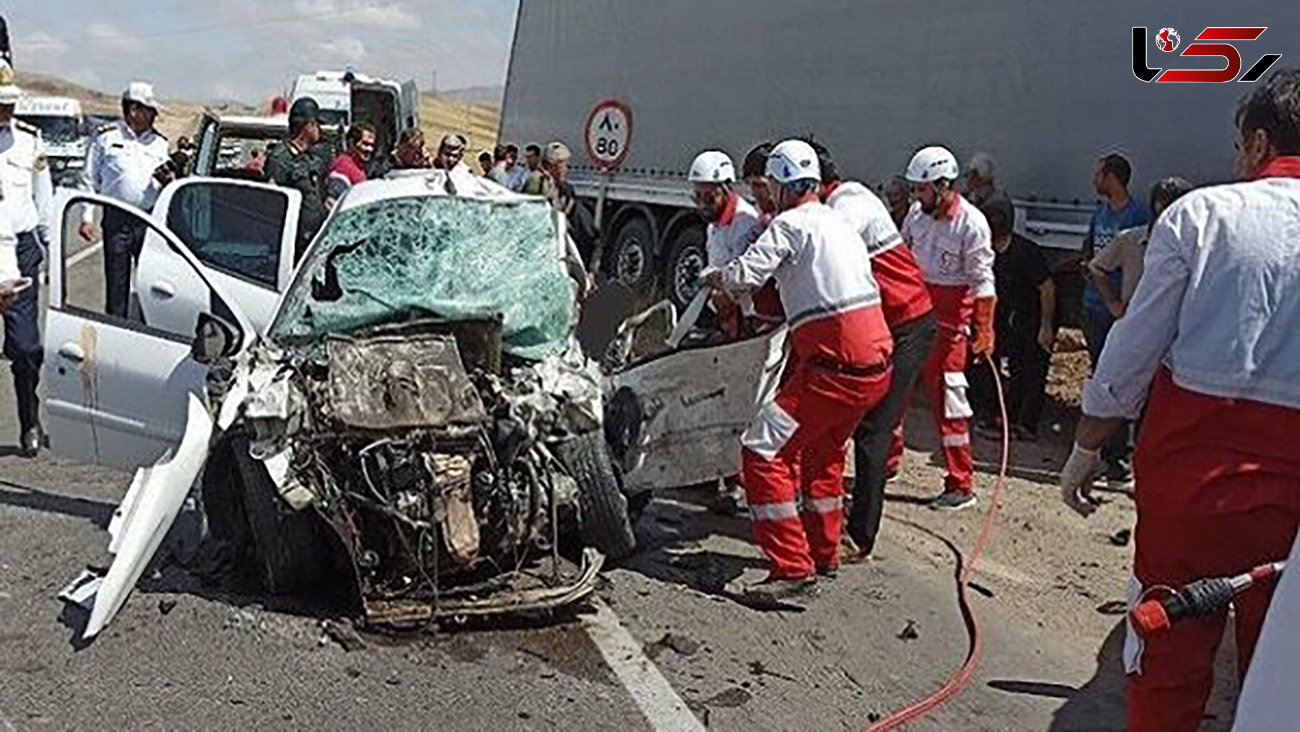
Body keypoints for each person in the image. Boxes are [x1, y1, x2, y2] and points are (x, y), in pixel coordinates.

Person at [1058, 68, 1300, 732]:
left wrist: (1088, 445)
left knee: (1167, 651)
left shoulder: (1204, 215)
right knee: (1283, 669)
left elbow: (1132, 350)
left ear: (1257, 141)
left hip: (1190, 486)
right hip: (1293, 505)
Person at [702, 139, 894, 603]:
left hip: (833, 369)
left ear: (781, 183)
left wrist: (718, 278)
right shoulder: (837, 220)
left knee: (761, 449)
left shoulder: (789, 225)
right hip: (875, 368)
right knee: (824, 454)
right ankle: (825, 552)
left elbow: (746, 277)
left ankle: (790, 566)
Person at [810, 141, 936, 556]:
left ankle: (861, 536)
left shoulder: (848, 206)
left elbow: (824, 256)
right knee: (865, 422)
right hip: (893, 324)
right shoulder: (843, 203)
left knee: (873, 430)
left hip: (908, 326)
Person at [898, 146, 997, 511]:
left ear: (942, 186)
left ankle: (960, 484)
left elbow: (983, 281)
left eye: (921, 189)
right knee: (895, 394)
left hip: (950, 329)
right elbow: (903, 259)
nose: (916, 196)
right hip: (915, 320)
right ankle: (888, 465)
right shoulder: (916, 216)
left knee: (950, 405)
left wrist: (984, 329)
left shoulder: (971, 223)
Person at [1081, 151, 1149, 487]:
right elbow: (1090, 254)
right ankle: (1099, 450)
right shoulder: (1101, 213)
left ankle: (1119, 458)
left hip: (1121, 314)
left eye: (1098, 173)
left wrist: (1117, 302)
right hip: (1095, 308)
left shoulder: (1137, 216)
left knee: (1119, 381)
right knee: (1099, 374)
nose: (1094, 179)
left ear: (1113, 177)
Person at [78, 82, 173, 319]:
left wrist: (168, 180)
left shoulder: (160, 144)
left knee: (151, 284)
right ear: (133, 110)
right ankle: (116, 329)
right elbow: (89, 179)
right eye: (149, 111)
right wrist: (86, 218)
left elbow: (169, 185)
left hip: (149, 222)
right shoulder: (106, 138)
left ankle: (147, 328)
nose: (154, 116)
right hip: (117, 220)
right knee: (117, 284)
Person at [0, 63, 53, 457]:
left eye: (9, 104)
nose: (6, 111)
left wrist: (48, 245)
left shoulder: (30, 142)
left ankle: (28, 420)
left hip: (20, 248)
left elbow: (43, 196)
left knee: (24, 347)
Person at [970, 200, 1055, 441]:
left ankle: (1026, 424)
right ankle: (998, 417)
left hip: (1031, 320)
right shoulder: (987, 253)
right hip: (1006, 321)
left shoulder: (1025, 252)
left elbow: (1047, 287)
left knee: (1030, 372)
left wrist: (1046, 327)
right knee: (997, 367)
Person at [1087, 176, 1194, 321]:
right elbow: (1096, 267)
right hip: (1136, 323)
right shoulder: (1131, 240)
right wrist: (1113, 304)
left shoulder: (1196, 245)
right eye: (1164, 205)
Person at [689, 150, 762, 340]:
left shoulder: (745, 224)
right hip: (725, 312)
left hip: (746, 315)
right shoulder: (714, 223)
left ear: (726, 189)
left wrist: (724, 293)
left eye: (709, 197)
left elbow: (745, 278)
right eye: (698, 197)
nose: (703, 205)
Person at [265, 97, 331, 258]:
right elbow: (272, 204)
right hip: (292, 246)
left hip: (312, 242)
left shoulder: (308, 158)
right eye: (317, 124)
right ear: (308, 125)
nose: (319, 130)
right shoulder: (281, 158)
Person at [326, 122, 374, 204]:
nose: (370, 149)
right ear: (352, 143)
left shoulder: (359, 166)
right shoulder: (343, 167)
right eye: (365, 144)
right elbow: (331, 203)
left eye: (372, 145)